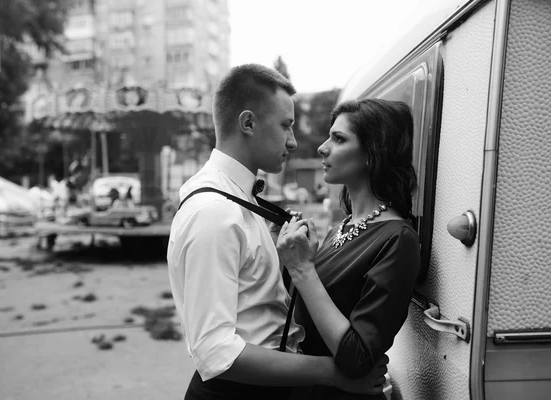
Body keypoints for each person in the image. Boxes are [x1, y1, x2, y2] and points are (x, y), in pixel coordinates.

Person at [167, 64, 387, 400]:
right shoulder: (214, 211)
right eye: (286, 126)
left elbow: (253, 303)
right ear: (249, 123)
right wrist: (333, 373)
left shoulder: (239, 200)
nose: (294, 141)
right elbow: (216, 352)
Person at [277, 98, 421, 399]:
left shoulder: (397, 239)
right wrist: (287, 256)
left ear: (372, 153)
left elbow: (357, 359)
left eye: (339, 139)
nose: (322, 147)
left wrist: (303, 270)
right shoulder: (339, 228)